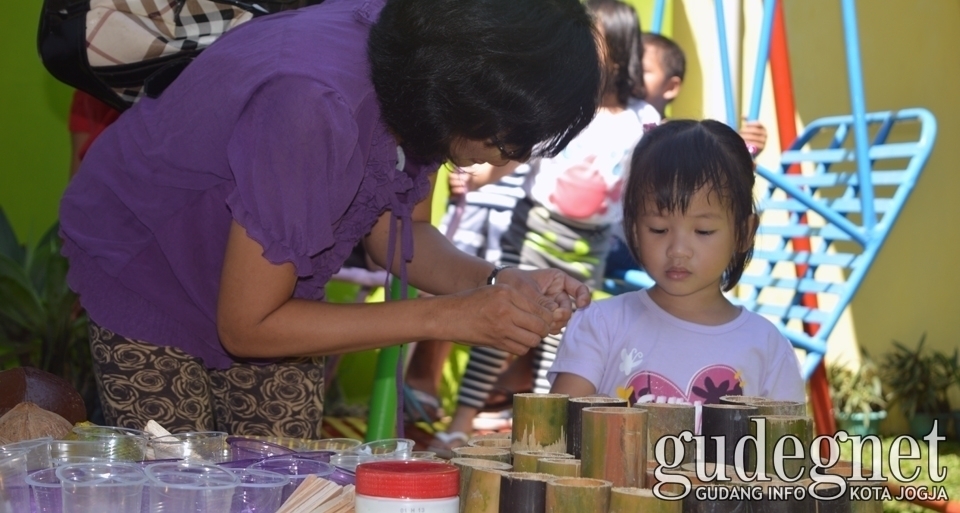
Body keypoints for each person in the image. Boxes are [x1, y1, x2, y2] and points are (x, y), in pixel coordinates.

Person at [59, 0, 601, 436]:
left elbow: (400, 231)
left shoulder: (427, 68)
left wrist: (495, 282)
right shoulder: (313, 103)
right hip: (151, 260)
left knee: (288, 478)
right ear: (469, 86)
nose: (504, 161)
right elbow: (249, 326)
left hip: (268, 290)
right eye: (503, 140)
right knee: (181, 481)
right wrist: (450, 316)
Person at [432, 0, 661, 449]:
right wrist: (479, 174)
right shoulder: (569, 103)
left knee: (562, 335)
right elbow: (521, 150)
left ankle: (539, 429)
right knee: (506, 325)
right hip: (535, 229)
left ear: (616, 48)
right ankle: (460, 422)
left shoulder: (642, 119)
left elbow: (664, 161)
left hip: (587, 246)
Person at [549, 120, 805, 410]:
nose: (678, 250)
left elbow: (784, 447)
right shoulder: (601, 325)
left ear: (744, 233)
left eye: (703, 231)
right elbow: (557, 428)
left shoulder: (767, 346)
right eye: (658, 229)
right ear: (633, 229)